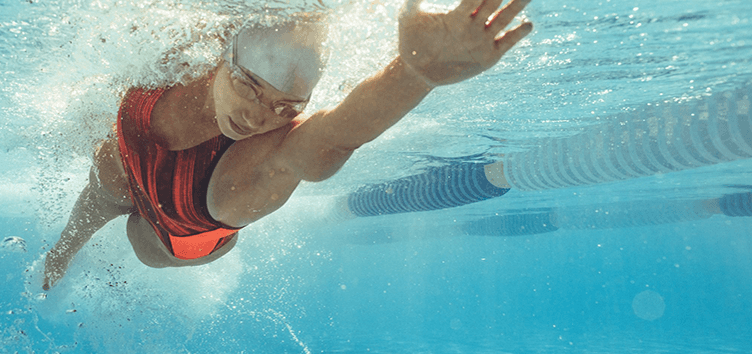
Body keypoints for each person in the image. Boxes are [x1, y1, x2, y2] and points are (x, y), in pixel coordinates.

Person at [42, 0, 534, 290]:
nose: (258, 117)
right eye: (250, 86)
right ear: (223, 57)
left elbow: (339, 132)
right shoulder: (181, 52)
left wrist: (416, 73)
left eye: (286, 107)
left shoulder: (248, 177)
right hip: (132, 168)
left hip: (180, 235)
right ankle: (60, 256)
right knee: (107, 176)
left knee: (140, 240)